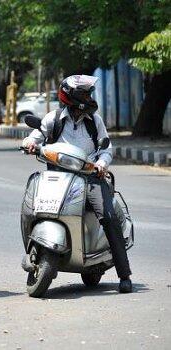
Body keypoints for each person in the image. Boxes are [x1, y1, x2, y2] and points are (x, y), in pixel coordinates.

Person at [22, 74, 133, 293]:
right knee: (33, 207)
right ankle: (35, 249)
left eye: (89, 93)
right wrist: (29, 143)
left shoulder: (95, 121)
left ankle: (124, 274)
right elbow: (37, 136)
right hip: (58, 176)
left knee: (108, 218)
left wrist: (102, 163)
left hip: (89, 177)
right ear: (73, 96)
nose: (89, 97)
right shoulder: (53, 119)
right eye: (85, 94)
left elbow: (106, 148)